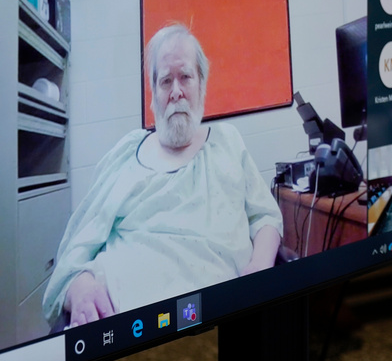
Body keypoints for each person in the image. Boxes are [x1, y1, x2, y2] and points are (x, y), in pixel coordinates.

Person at [43, 24, 284, 328]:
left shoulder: (227, 143)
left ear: (202, 85)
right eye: (165, 81)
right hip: (125, 334)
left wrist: (260, 265)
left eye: (185, 77)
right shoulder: (125, 155)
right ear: (153, 94)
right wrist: (80, 289)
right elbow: (75, 252)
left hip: (217, 324)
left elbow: (265, 218)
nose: (176, 92)